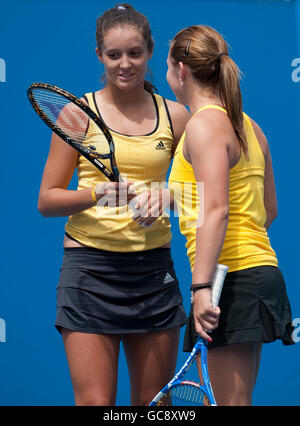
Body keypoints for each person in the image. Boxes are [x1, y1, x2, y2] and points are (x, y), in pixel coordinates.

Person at [37, 4, 189, 406]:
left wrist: (166, 197)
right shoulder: (76, 115)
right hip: (89, 271)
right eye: (114, 54)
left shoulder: (177, 116)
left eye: (135, 53)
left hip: (153, 271)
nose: (125, 64)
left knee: (155, 407)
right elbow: (47, 201)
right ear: (99, 55)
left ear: (151, 51)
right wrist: (97, 194)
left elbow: (202, 195)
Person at [167, 25, 294, 406]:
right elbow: (266, 211)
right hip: (251, 273)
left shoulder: (203, 125)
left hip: (230, 280)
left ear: (181, 70)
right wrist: (159, 198)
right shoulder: (250, 127)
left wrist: (202, 287)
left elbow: (218, 209)